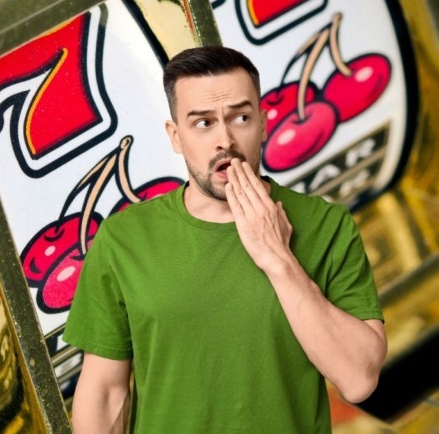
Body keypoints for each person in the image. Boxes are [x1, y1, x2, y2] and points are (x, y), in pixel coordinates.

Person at [62, 46, 387, 433]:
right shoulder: (123, 239)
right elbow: (105, 392)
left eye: (241, 118)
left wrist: (278, 259)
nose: (225, 140)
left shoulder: (326, 225)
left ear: (263, 124)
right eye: (203, 123)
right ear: (176, 136)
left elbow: (359, 379)